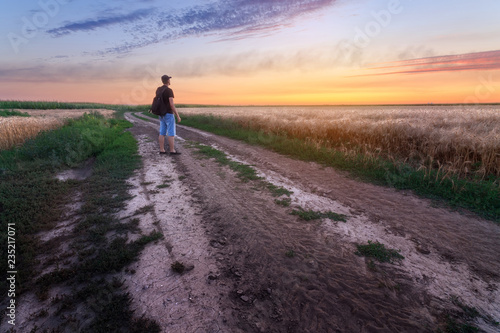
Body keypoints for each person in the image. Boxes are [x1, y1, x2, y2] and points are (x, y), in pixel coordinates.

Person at [157, 75, 181, 155]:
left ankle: (162, 150)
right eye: (169, 79)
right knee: (171, 133)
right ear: (167, 81)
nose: (170, 81)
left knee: (162, 132)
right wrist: (177, 115)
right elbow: (171, 104)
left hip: (161, 114)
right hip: (168, 113)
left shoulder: (158, 90)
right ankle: (172, 150)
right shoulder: (169, 90)